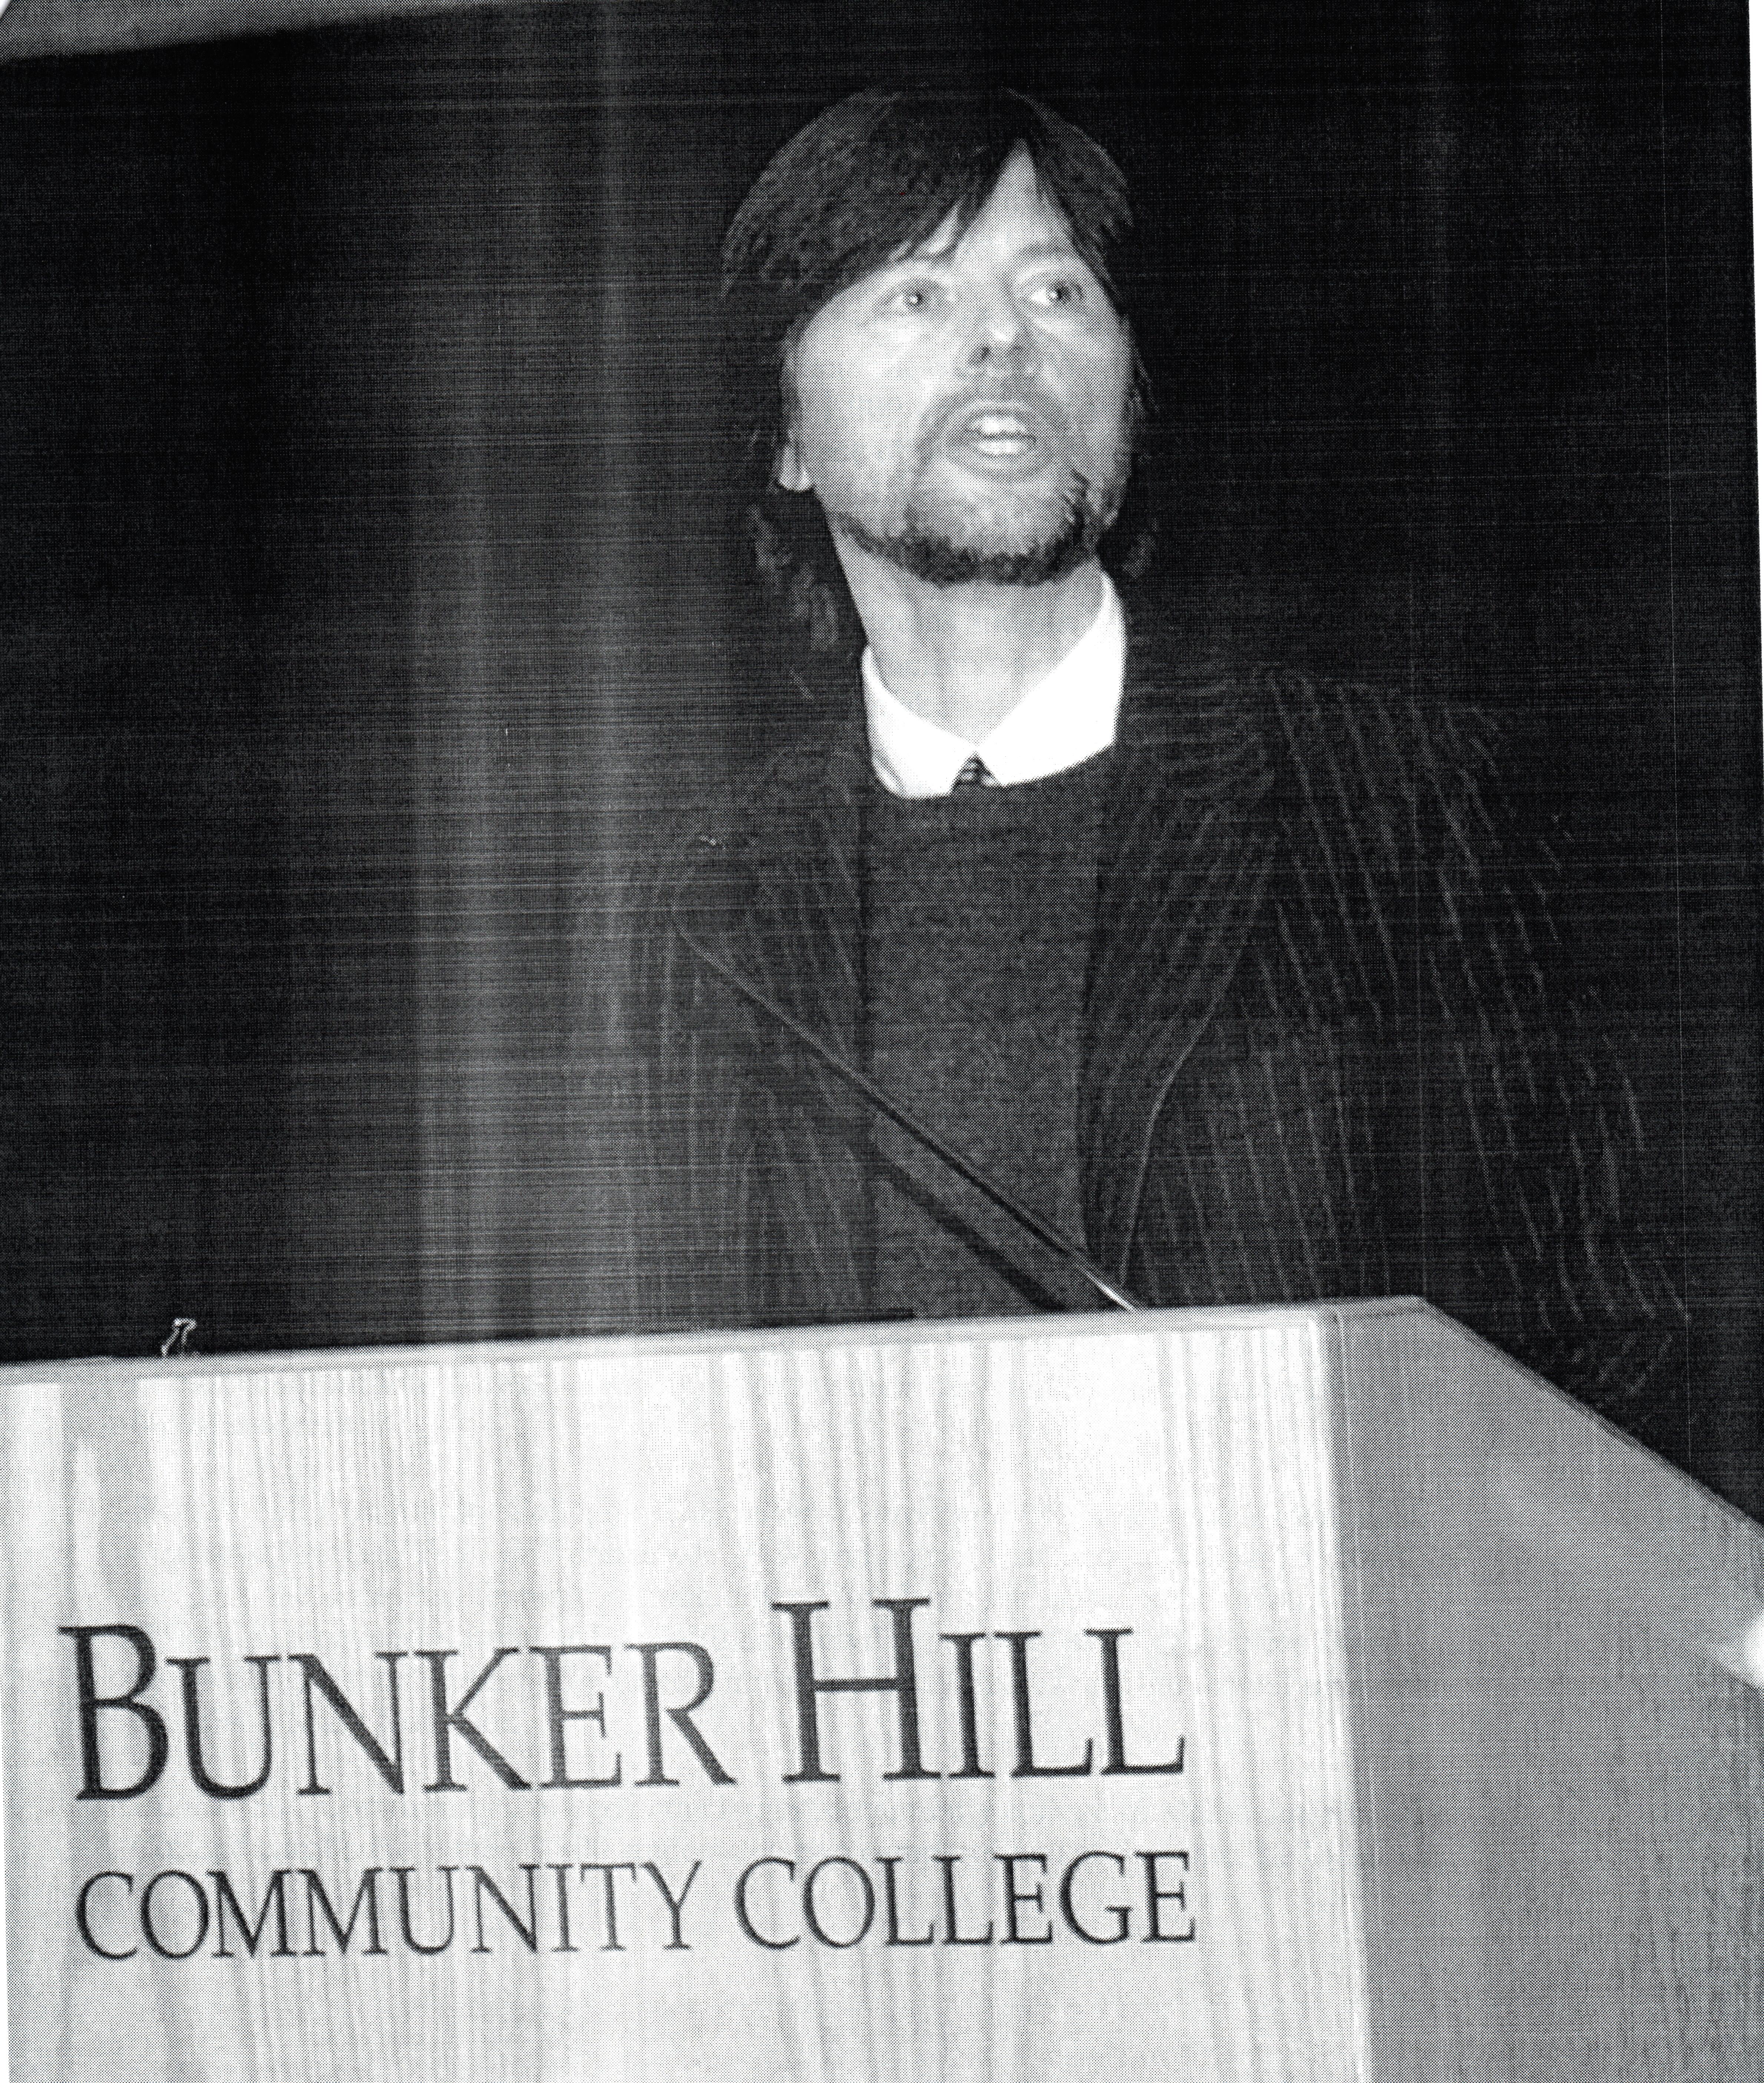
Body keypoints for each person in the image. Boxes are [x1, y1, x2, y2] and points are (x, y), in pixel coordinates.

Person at [573, 86, 1681, 1424]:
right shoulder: (700, 918)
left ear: (1130, 402)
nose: (1000, 339)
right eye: (916, 296)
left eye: (1056, 292)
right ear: (789, 436)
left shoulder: (1409, 810)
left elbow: (1617, 1353)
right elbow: (638, 1445)